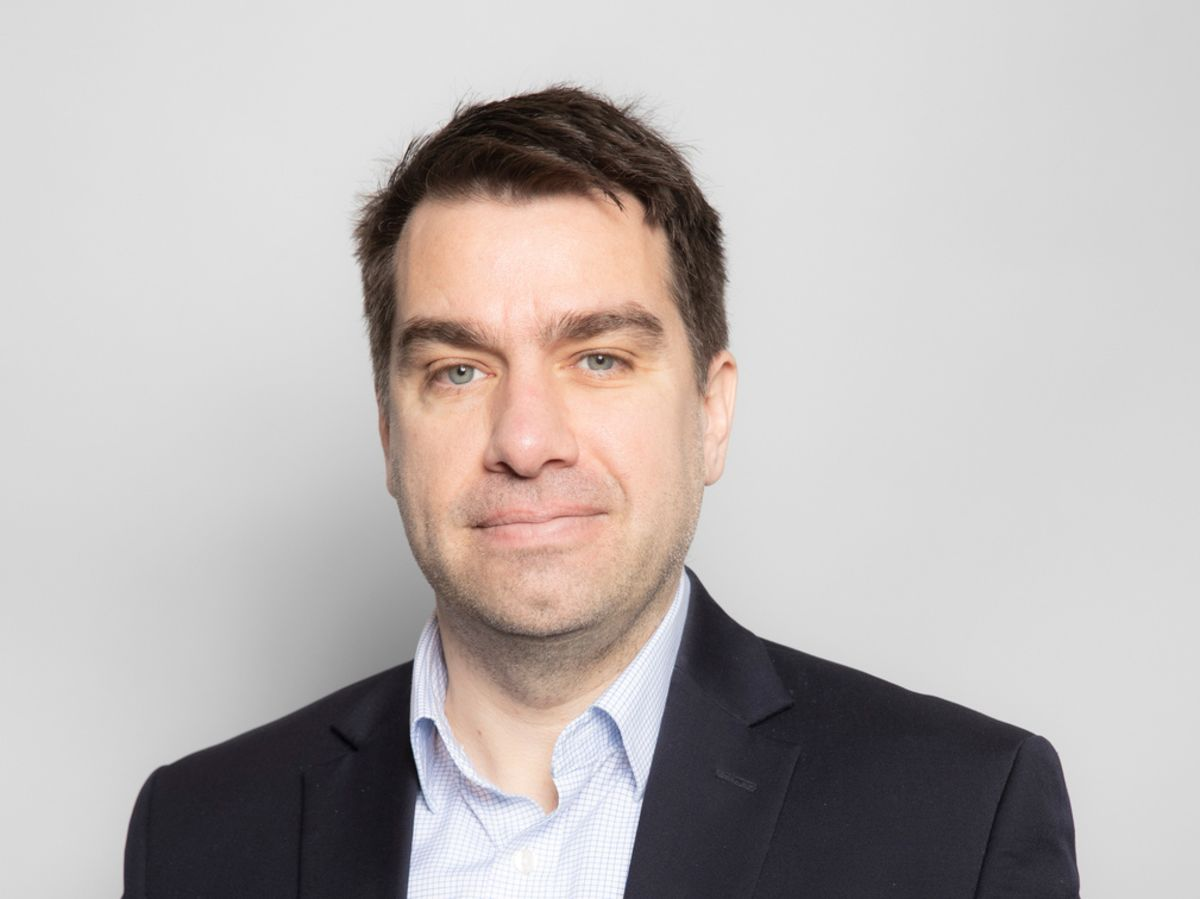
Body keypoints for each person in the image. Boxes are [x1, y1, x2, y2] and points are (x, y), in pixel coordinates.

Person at [122, 86, 1080, 898]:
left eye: (599, 358)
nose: (526, 441)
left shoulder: (960, 820)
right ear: (388, 432)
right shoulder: (199, 834)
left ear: (710, 412)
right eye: (458, 370)